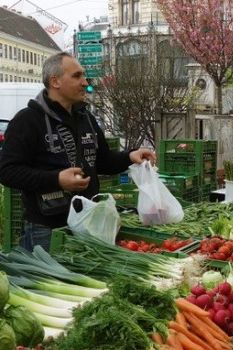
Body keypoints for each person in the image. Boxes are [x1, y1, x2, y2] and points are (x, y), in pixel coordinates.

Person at [0, 52, 155, 251]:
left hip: (88, 223)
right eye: (77, 76)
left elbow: (103, 161)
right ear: (55, 81)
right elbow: (7, 171)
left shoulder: (86, 119)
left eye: (84, 76)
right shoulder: (28, 120)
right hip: (48, 229)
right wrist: (56, 179)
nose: (85, 82)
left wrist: (129, 157)